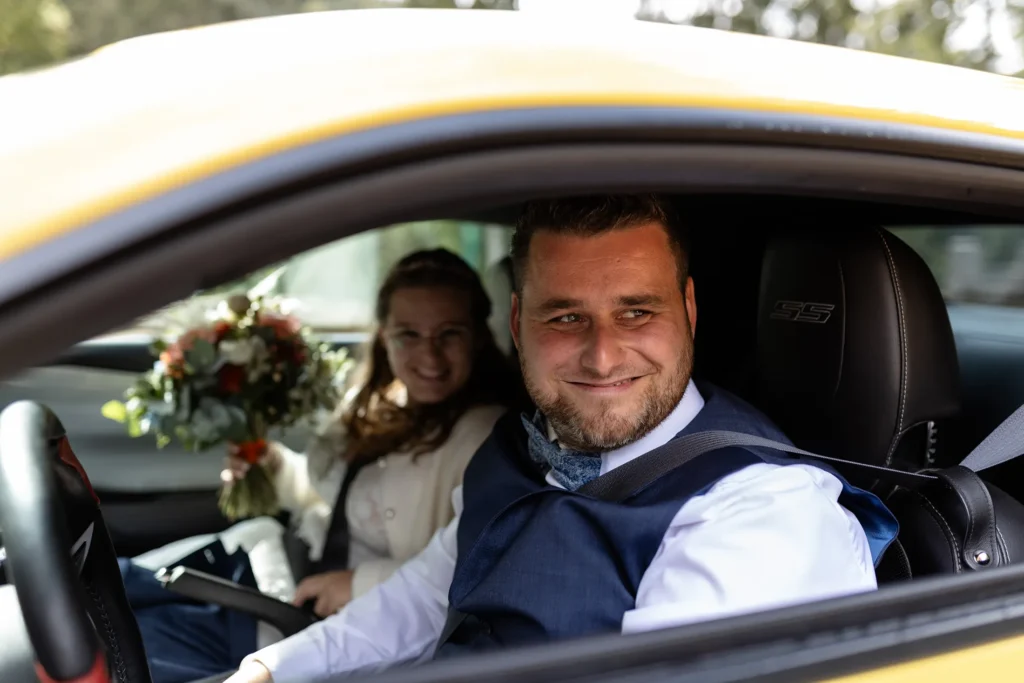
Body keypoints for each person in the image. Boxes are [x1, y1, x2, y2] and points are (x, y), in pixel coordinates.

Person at [227, 195, 898, 683]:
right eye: (566, 316)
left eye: (637, 311)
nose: (602, 357)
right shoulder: (516, 446)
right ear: (518, 322)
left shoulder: (761, 510)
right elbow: (422, 602)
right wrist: (269, 669)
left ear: (687, 311)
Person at [124, 248, 523, 683]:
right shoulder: (381, 401)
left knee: (134, 641)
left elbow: (458, 572)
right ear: (383, 335)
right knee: (121, 584)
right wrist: (271, 466)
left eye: (450, 334)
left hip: (318, 623)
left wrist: (355, 582)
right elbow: (329, 498)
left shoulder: (484, 437)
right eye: (408, 334)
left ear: (480, 337)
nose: (429, 357)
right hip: (276, 562)